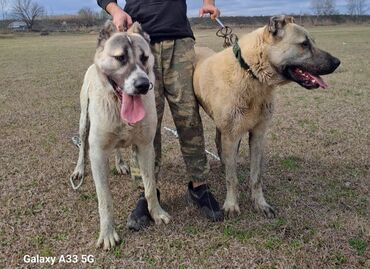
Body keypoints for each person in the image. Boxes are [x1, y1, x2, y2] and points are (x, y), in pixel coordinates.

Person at [97, 0, 223, 230]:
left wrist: (208, 2)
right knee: (142, 124)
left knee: (188, 117)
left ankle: (199, 185)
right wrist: (115, 10)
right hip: (139, 41)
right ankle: (146, 193)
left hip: (179, 41)